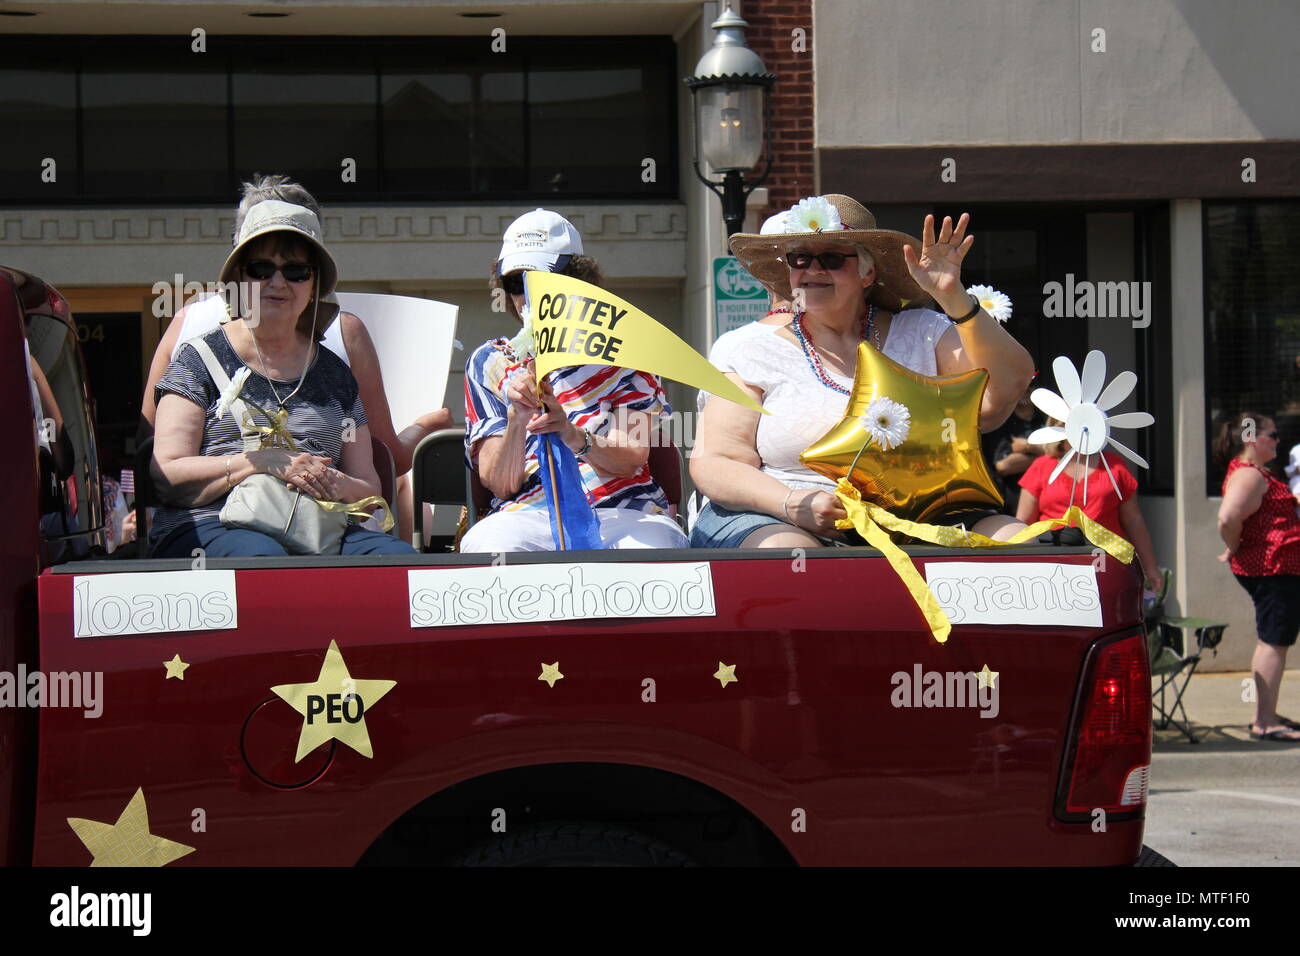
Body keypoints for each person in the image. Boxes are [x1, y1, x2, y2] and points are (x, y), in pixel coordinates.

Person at [690, 194, 1036, 549]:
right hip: (780, 515)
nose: (812, 269)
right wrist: (791, 503)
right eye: (800, 258)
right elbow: (717, 461)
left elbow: (1006, 387)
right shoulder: (750, 348)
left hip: (921, 513)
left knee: (1017, 543)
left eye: (832, 258)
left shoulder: (924, 331)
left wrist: (953, 297)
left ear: (868, 271)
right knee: (793, 556)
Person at [139, 174, 453, 539]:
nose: (278, 281)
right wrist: (422, 430)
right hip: (220, 524)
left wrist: (329, 480)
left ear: (313, 278)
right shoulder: (199, 349)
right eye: (261, 267)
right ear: (240, 267)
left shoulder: (186, 319)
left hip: (322, 527)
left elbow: (371, 476)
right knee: (264, 562)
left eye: (296, 269)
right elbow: (158, 462)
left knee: (392, 565)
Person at [461, 208, 687, 552]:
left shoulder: (628, 354)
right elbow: (499, 484)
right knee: (486, 547)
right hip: (526, 515)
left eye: (540, 278)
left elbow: (631, 459)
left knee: (656, 551)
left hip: (621, 511)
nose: (529, 294)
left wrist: (570, 432)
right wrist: (517, 420)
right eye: (515, 283)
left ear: (578, 279)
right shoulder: (490, 362)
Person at [1215, 411, 1300, 741]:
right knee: (1273, 641)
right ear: (1252, 438)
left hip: (1277, 569)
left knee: (1274, 639)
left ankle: (1266, 713)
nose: (1279, 441)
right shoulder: (1249, 476)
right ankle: (1264, 721)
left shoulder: (1257, 473)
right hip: (1271, 569)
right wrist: (1233, 546)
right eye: (1273, 435)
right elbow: (1227, 518)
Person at [1016, 419, 1161, 591]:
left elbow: (1133, 520)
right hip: (1053, 567)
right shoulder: (1041, 467)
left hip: (1106, 565)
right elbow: (1024, 523)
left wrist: (1150, 567)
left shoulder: (1115, 466)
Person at [983, 386, 1045, 515]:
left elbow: (1065, 456)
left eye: (1030, 387)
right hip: (1013, 505)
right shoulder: (1001, 423)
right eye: (1021, 387)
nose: (1025, 390)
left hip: (1046, 503)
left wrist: (1029, 447)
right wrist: (1047, 455)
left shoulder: (1046, 420)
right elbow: (1004, 465)